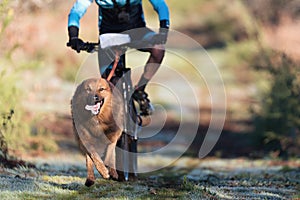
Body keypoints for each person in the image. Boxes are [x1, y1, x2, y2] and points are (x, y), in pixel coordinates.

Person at [67, 0, 170, 116]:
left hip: (137, 32)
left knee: (158, 49)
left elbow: (160, 5)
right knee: (110, 85)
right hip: (109, 35)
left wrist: (163, 31)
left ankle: (140, 90)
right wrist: (73, 37)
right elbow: (77, 11)